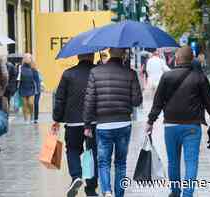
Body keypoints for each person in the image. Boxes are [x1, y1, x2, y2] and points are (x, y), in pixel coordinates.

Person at [145, 46, 210, 197]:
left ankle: (175, 192)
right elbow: (209, 102)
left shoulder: (167, 77)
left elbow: (158, 102)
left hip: (171, 126)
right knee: (191, 162)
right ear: (191, 59)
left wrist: (150, 121)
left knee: (173, 162)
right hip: (192, 126)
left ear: (178, 59)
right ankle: (187, 194)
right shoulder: (199, 77)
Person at [83, 48, 143, 197]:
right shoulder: (130, 73)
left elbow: (89, 101)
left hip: (102, 125)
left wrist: (87, 124)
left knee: (103, 162)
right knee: (121, 163)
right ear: (123, 54)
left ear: (109, 53)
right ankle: (119, 194)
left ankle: (107, 191)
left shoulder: (95, 72)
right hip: (123, 123)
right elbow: (137, 101)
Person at [52, 53, 98, 197]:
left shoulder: (68, 74)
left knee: (72, 149)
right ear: (92, 56)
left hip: (73, 121)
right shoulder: (98, 72)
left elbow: (60, 98)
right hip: (93, 121)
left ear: (78, 57)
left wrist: (57, 118)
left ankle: (76, 176)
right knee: (91, 153)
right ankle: (91, 189)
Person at [18, 54, 37, 123]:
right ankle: (26, 119)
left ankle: (31, 116)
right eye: (25, 57)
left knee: (31, 103)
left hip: (31, 87)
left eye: (29, 58)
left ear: (31, 59)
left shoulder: (33, 68)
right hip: (22, 87)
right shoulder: (20, 68)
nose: (27, 59)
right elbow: (18, 78)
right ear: (24, 59)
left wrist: (39, 85)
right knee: (24, 104)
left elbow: (36, 78)